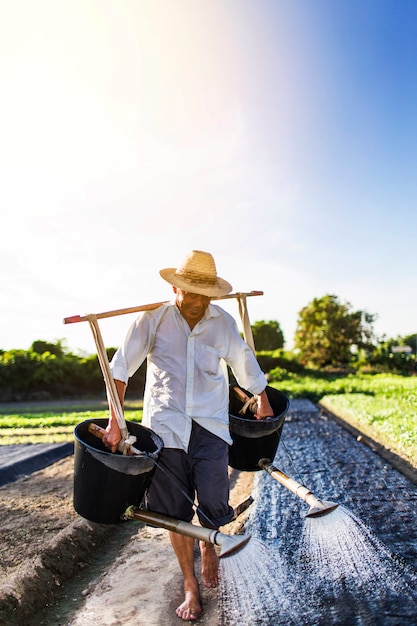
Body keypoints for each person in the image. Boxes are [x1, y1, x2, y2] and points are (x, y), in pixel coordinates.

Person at [103, 249, 273, 621]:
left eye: (205, 295)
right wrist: (117, 421)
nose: (197, 302)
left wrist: (262, 399)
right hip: (166, 427)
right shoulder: (152, 320)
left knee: (214, 503)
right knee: (174, 512)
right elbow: (119, 369)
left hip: (211, 425)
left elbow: (243, 359)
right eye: (191, 293)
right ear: (176, 288)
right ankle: (189, 584)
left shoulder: (221, 322)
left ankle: (209, 545)